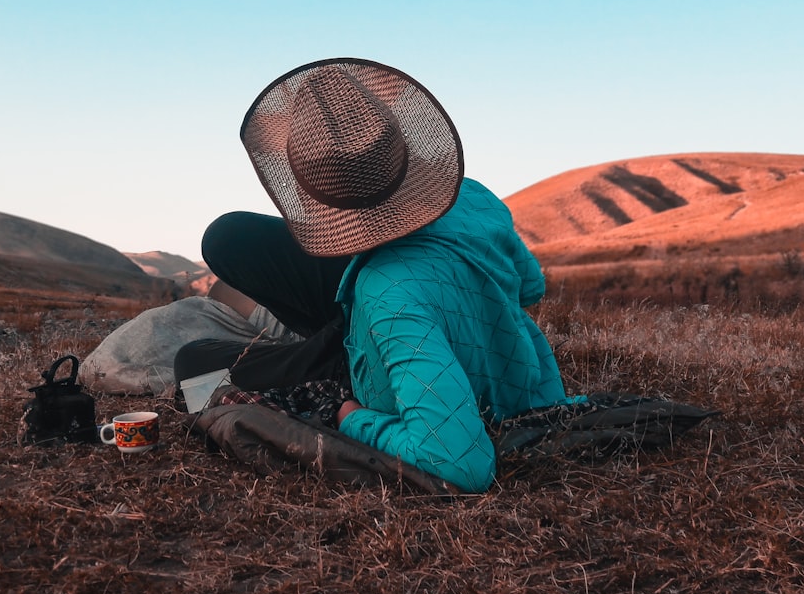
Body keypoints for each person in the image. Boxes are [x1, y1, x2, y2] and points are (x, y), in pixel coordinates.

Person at [174, 58, 579, 493]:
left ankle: (330, 348)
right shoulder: (474, 195)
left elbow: (461, 464)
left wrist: (354, 417)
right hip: (431, 316)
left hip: (384, 331)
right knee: (228, 236)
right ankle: (342, 333)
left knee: (192, 362)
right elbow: (530, 287)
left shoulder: (385, 291)